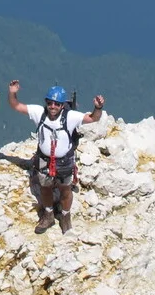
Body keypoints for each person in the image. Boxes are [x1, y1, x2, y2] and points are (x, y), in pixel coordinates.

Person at [8, 80, 105, 234]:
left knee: (65, 190)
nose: (53, 106)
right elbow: (16, 106)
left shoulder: (70, 116)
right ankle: (48, 216)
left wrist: (98, 107)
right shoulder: (39, 113)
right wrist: (13, 92)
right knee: (45, 188)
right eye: (50, 103)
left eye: (57, 104)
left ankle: (65, 218)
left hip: (64, 161)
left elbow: (93, 118)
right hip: (44, 160)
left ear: (62, 105)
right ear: (47, 102)